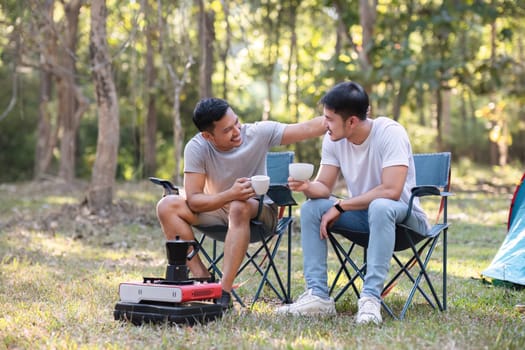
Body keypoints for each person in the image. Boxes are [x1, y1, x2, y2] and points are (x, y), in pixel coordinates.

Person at [276, 81, 430, 324]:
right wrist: (306, 187)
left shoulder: (390, 132)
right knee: (312, 208)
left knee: (380, 206)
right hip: (366, 220)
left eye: (329, 118)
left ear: (352, 122)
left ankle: (370, 299)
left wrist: (340, 206)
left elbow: (391, 190)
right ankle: (317, 296)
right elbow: (324, 187)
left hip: (406, 222)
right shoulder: (333, 139)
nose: (324, 124)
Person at [156, 97, 326, 310]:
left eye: (236, 122)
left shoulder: (258, 133)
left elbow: (309, 127)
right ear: (207, 136)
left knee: (239, 205)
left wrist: (348, 117)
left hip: (260, 211)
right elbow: (195, 199)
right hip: (217, 209)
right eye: (227, 130)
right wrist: (229, 194)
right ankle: (203, 278)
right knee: (166, 205)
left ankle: (223, 293)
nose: (237, 131)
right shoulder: (197, 148)